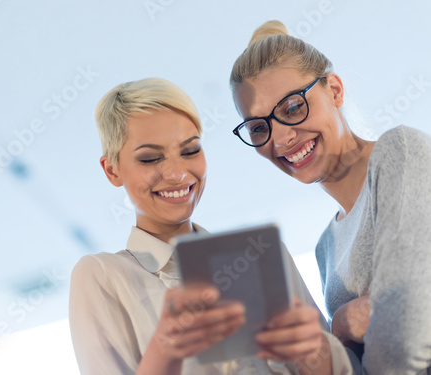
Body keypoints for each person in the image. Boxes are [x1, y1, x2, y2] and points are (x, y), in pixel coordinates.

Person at [69, 77, 353, 375]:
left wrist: (313, 349)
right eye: (150, 158)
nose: (177, 174)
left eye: (190, 150)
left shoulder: (262, 256)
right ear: (112, 170)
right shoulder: (103, 276)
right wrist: (165, 350)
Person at [229, 20, 431, 375]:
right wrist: (338, 325)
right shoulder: (325, 247)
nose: (281, 139)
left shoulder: (399, 151)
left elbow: (404, 335)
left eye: (292, 107)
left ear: (334, 90)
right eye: (260, 128)